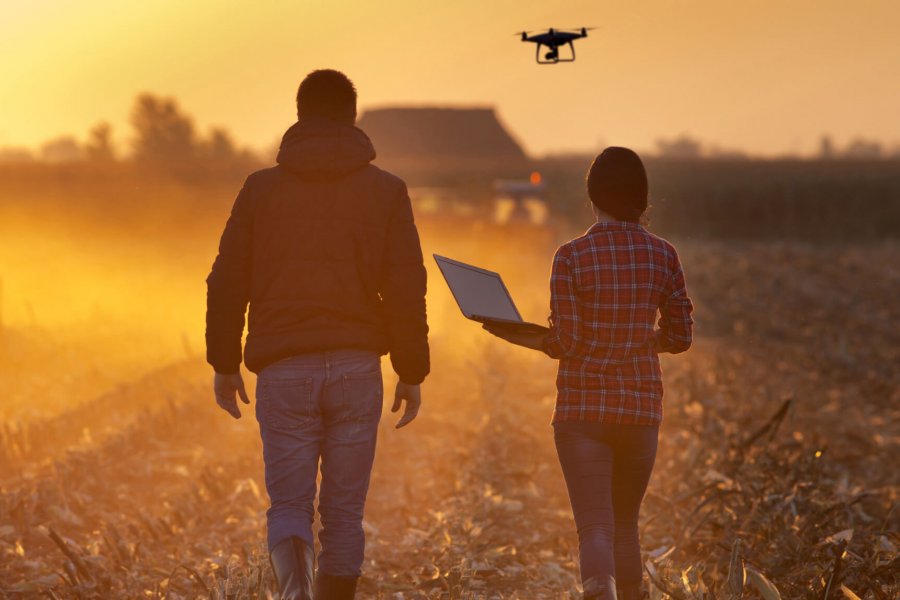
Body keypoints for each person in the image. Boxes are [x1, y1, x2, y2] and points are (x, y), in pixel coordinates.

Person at [205, 69, 429, 600]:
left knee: (289, 505)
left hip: (284, 370)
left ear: (299, 113)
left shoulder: (260, 189)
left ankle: (294, 588)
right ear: (352, 116)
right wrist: (411, 371)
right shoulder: (388, 190)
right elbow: (405, 286)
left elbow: (226, 279)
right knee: (345, 514)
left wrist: (223, 363)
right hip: (356, 371)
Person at [484, 147, 693, 600]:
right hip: (640, 412)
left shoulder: (571, 256)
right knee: (625, 527)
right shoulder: (664, 254)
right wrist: (639, 339)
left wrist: (517, 334)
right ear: (642, 196)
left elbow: (567, 344)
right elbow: (680, 337)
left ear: (592, 195)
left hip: (582, 412)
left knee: (594, 529)